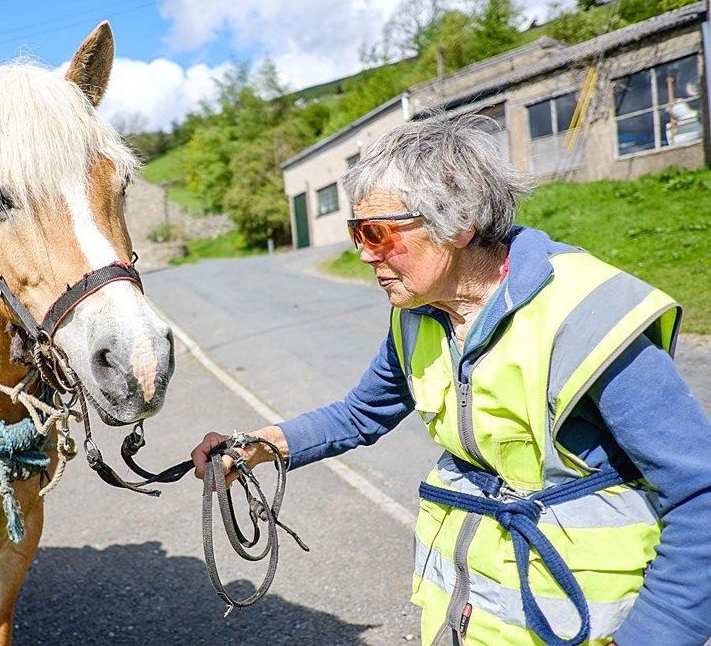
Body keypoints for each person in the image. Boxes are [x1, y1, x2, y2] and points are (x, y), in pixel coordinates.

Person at [191, 115, 711, 645]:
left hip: (589, 626)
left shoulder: (587, 316)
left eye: (378, 232)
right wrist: (253, 448)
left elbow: (700, 493)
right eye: (356, 232)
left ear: (458, 223)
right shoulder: (418, 313)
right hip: (466, 613)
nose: (364, 252)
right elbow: (360, 413)